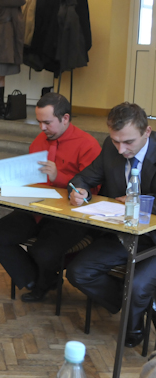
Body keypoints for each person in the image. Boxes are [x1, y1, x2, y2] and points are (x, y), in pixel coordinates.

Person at [0, 93, 101, 302]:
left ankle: (42, 283)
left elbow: (94, 189)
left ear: (65, 118)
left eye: (47, 122)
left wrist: (59, 177)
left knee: (43, 251)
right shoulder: (40, 140)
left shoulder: (87, 144)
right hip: (36, 208)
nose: (41, 128)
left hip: (69, 215)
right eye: (39, 122)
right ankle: (37, 280)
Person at [66, 102, 156, 348]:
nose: (121, 149)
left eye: (128, 142)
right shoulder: (111, 147)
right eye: (116, 141)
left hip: (154, 237)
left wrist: (141, 201)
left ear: (147, 132)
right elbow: (83, 178)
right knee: (78, 272)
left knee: (138, 286)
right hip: (124, 233)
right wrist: (79, 191)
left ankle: (134, 326)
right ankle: (130, 305)